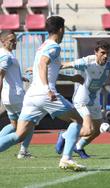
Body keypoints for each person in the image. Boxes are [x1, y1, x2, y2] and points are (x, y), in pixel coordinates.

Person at [0, 16, 86, 171]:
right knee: (77, 121)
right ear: (61, 29)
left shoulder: (43, 46)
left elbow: (48, 70)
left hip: (31, 96)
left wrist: (71, 77)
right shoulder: (54, 46)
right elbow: (42, 64)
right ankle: (66, 158)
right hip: (45, 94)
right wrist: (48, 89)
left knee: (19, 134)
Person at [55, 40, 110, 159]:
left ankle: (78, 147)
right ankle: (64, 135)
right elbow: (64, 65)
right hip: (81, 99)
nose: (105, 56)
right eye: (102, 53)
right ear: (96, 52)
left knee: (96, 131)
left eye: (107, 53)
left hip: (94, 100)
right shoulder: (87, 61)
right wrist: (42, 69)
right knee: (88, 129)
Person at [0, 30, 34, 159]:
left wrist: (20, 78)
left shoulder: (5, 54)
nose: (14, 43)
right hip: (16, 96)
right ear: (2, 41)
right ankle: (23, 151)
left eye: (15, 40)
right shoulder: (6, 56)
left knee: (14, 126)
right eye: (11, 41)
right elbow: (1, 75)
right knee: (30, 123)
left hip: (9, 98)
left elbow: (8, 74)